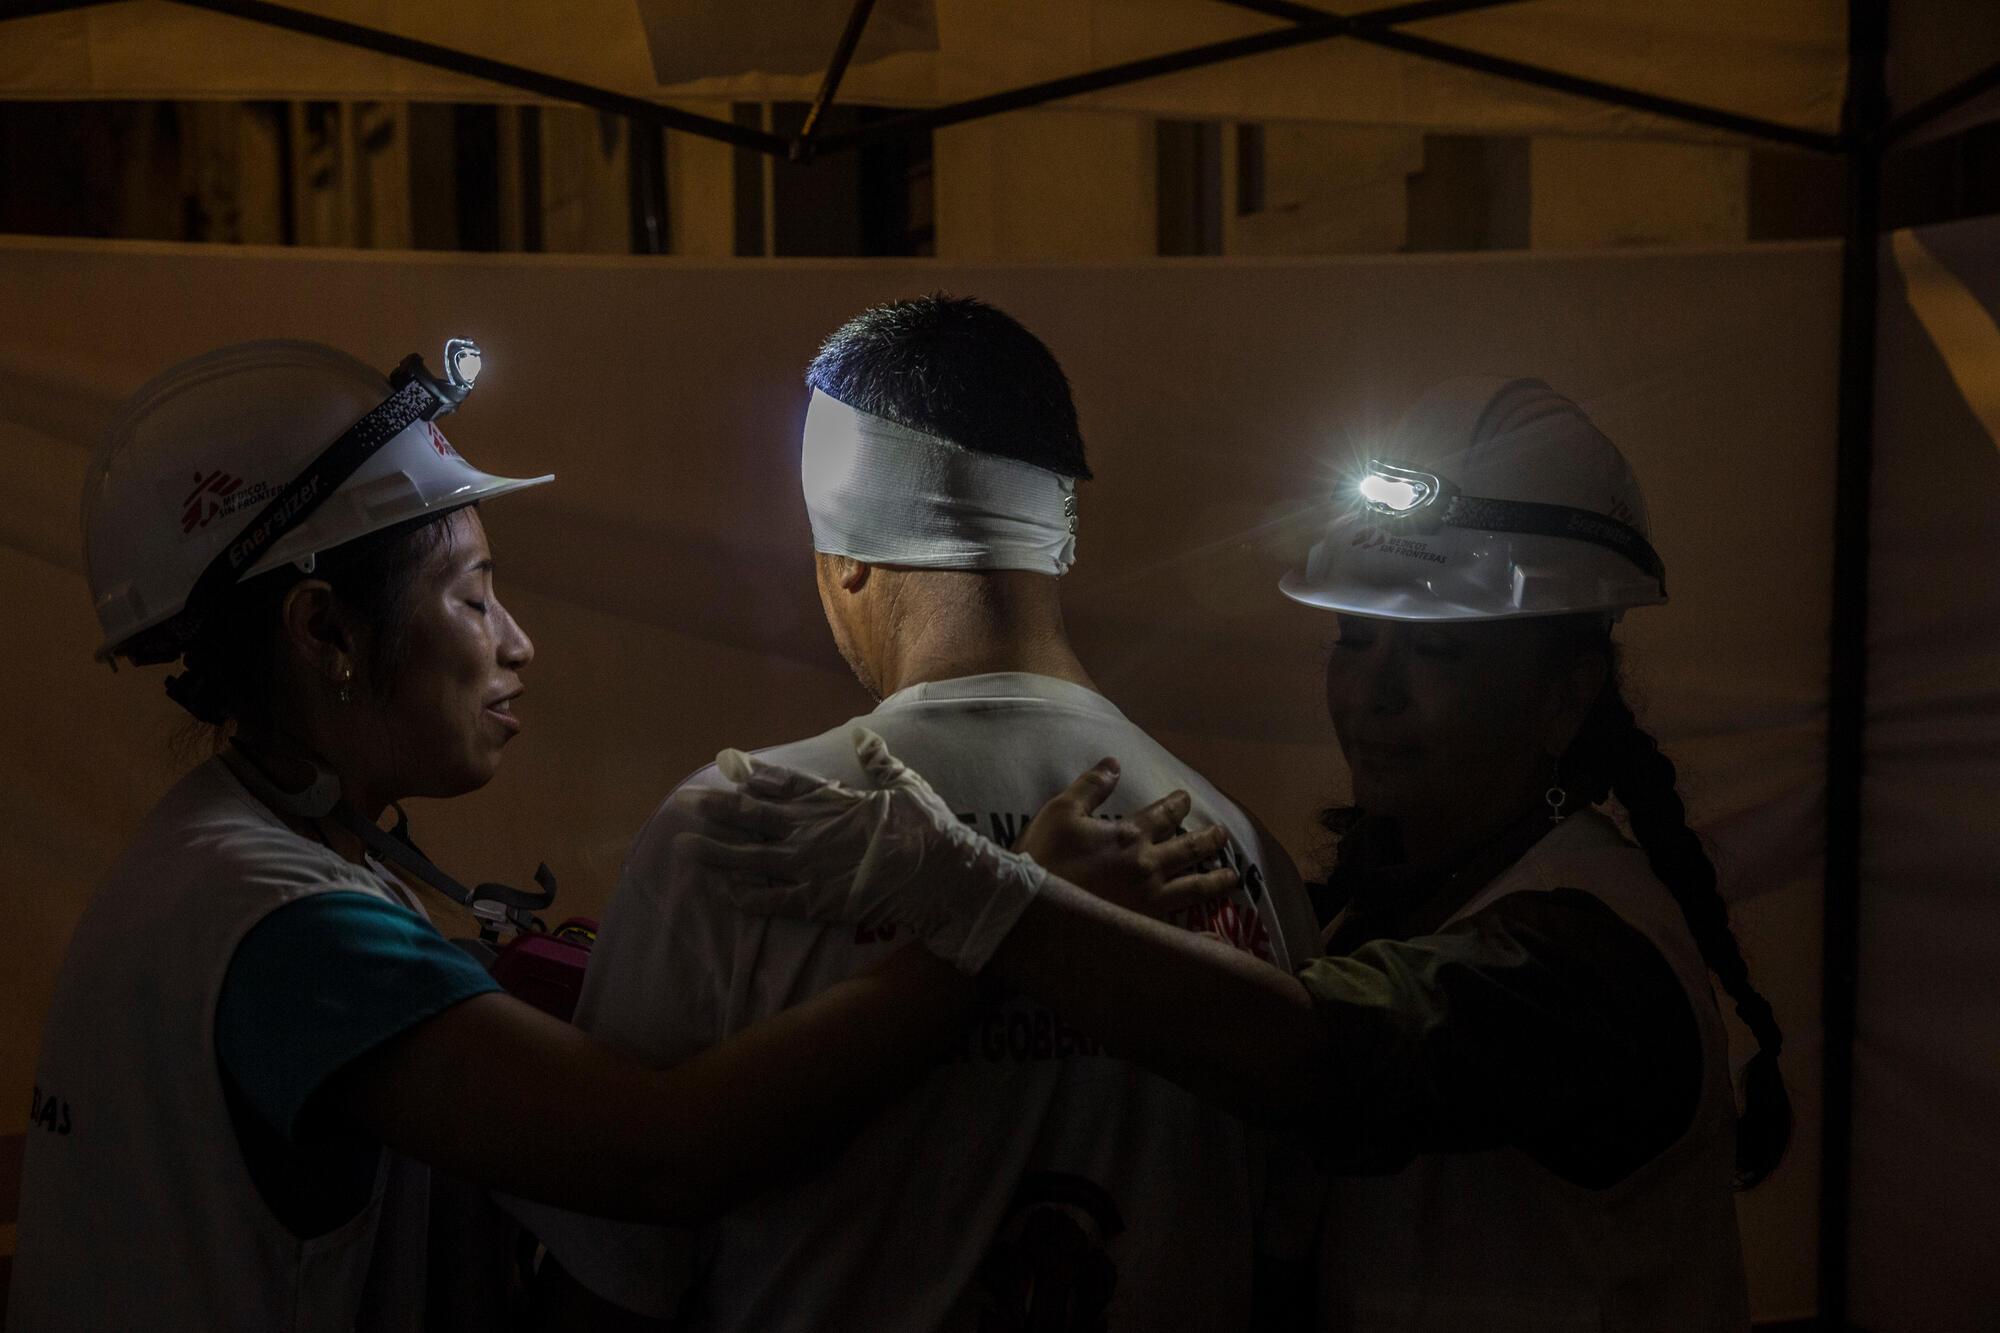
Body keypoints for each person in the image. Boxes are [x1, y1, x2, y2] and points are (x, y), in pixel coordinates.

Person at [4, 338, 1214, 1332]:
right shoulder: (278, 926)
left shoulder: (226, 861)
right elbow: (662, 1158)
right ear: (324, 629)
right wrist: (1002, 914)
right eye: (469, 596)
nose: (516, 641)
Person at [693, 377, 1792, 1332]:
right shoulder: (1389, 902)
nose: (1376, 691)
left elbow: (1324, 1059)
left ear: (1563, 696)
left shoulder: (1582, 956)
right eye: (1355, 639)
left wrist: (969, 887)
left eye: (1438, 652)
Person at [530, 294, 1323, 1330]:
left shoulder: (745, 825)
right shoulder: (1238, 848)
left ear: (846, 555)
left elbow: (616, 1268)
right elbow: (1291, 1250)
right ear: (1056, 533)